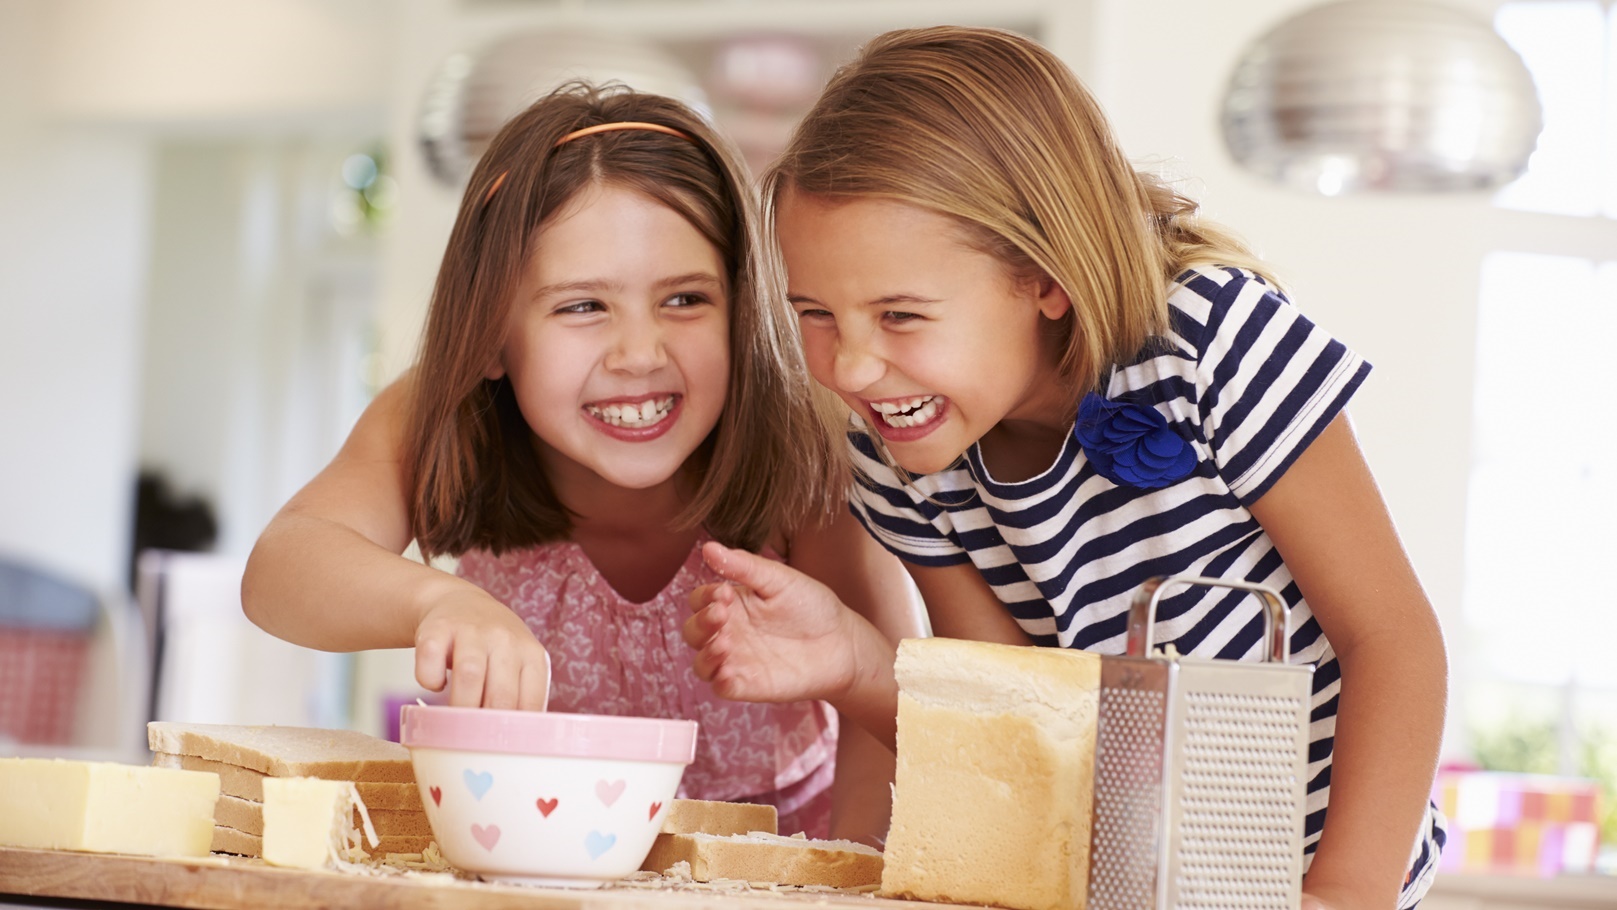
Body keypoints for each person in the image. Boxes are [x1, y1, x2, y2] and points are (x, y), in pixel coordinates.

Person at [683, 26, 1447, 908]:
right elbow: (1019, 724)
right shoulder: (902, 460)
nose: (848, 368)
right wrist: (855, 659)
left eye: (898, 316)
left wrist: (1341, 897)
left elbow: (1391, 639)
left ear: (1045, 277)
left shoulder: (1207, 341)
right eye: (815, 313)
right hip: (1110, 882)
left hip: (1328, 864)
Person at [241, 83, 919, 843]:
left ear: (741, 307)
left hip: (768, 877)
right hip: (531, 861)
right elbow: (280, 568)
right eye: (582, 307)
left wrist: (852, 880)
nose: (639, 354)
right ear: (493, 334)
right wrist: (439, 603)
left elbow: (890, 708)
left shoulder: (807, 448)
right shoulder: (438, 416)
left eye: (686, 300)